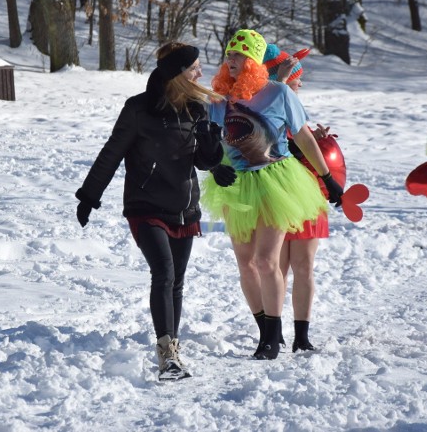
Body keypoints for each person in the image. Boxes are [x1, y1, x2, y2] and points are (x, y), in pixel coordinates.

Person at [75, 42, 228, 381]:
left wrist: (211, 146)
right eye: (194, 68)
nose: (201, 73)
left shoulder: (196, 109)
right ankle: (167, 355)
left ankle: (172, 342)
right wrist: (89, 196)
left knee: (177, 281)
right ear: (177, 74)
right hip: (145, 207)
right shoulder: (138, 109)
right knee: (164, 271)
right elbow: (111, 153)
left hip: (184, 208)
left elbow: (203, 161)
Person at [202, 29, 343, 360]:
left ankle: (271, 338)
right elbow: (208, 145)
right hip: (235, 184)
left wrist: (328, 179)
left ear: (253, 60)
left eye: (238, 55)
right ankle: (267, 330)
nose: (230, 61)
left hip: (276, 181)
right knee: (245, 263)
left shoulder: (279, 93)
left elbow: (305, 138)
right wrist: (211, 165)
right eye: (228, 55)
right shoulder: (219, 100)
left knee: (266, 260)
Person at [263, 43, 329, 352]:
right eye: (297, 77)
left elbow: (301, 142)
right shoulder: (265, 104)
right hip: (276, 195)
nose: (301, 82)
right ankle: (273, 331)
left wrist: (318, 141)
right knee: (276, 266)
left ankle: (301, 336)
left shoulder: (292, 104)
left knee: (303, 266)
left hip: (305, 196)